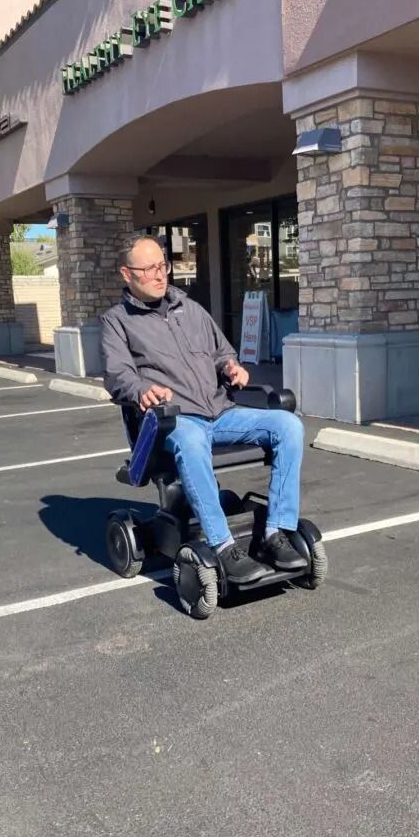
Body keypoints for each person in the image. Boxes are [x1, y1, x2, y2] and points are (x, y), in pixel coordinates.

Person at [100, 233, 306, 584]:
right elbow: (118, 375)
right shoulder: (116, 321)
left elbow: (222, 351)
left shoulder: (190, 309)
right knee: (191, 442)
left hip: (220, 411)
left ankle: (276, 532)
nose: (159, 274)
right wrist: (142, 390)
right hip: (172, 420)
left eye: (162, 265)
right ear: (127, 274)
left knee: (288, 425)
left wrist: (231, 367)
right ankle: (224, 545)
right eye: (148, 268)